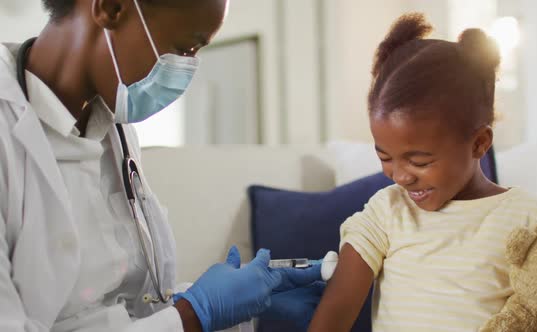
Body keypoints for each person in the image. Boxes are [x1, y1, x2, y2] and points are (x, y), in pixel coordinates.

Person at [0, 0, 323, 331]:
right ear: (110, 8)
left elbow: (136, 306)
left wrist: (246, 303)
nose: (184, 71)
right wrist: (195, 316)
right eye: (183, 49)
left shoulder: (116, 132)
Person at [307, 13, 537, 331]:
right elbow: (334, 315)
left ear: (479, 143)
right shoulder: (386, 213)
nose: (400, 176)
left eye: (419, 162)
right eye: (385, 157)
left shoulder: (528, 219)